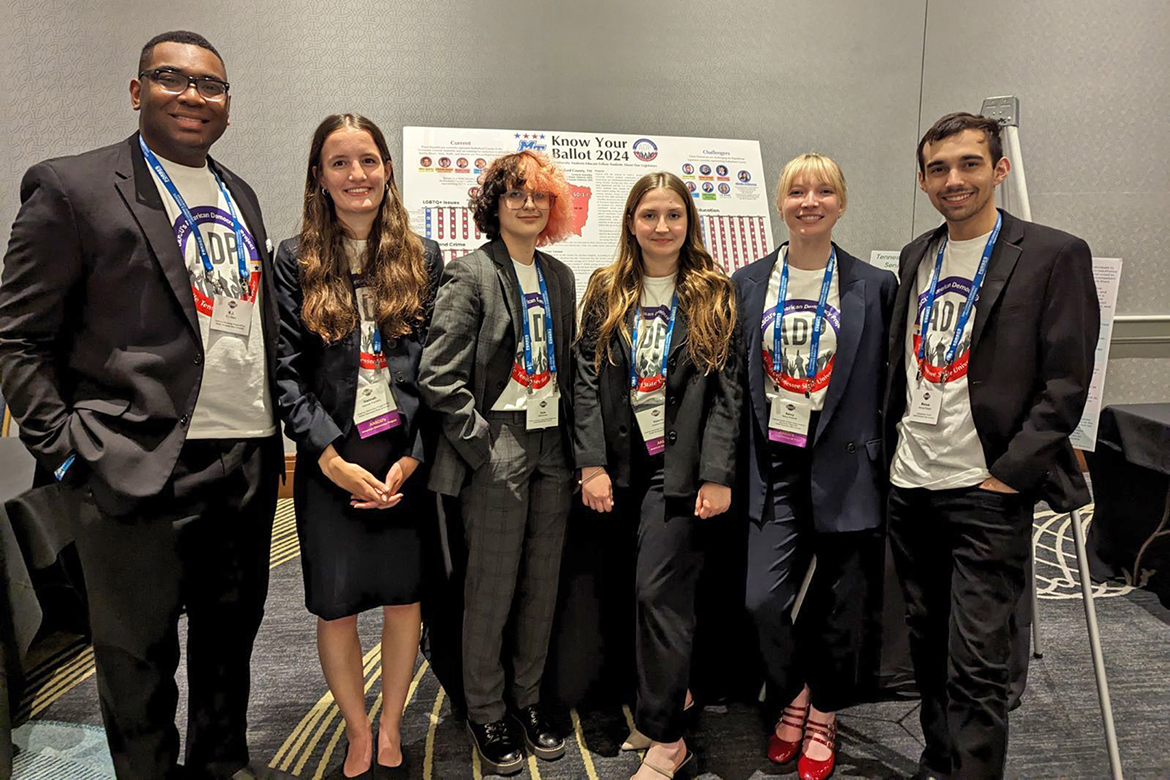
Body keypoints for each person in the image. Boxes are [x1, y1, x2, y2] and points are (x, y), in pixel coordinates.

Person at [0, 31, 292, 780]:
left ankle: (222, 765)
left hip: (245, 461)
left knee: (230, 643)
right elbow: (19, 339)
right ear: (138, 92)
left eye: (211, 86)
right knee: (137, 660)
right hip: (132, 463)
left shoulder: (239, 193)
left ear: (228, 105)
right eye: (172, 78)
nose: (193, 96)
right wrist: (67, 451)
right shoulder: (73, 188)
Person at [885, 112, 1099, 780]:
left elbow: (1066, 382)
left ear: (999, 169)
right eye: (938, 169)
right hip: (911, 482)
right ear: (923, 181)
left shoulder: (1053, 255)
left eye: (969, 163)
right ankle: (937, 759)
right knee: (925, 643)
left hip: (985, 490)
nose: (954, 179)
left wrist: (1007, 476)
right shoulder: (917, 255)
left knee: (978, 661)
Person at [273, 113, 441, 778]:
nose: (356, 175)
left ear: (387, 169)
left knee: (404, 599)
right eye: (339, 162)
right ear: (319, 176)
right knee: (335, 605)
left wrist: (414, 457)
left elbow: (437, 371)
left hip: (402, 459)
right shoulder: (294, 260)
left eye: (367, 160)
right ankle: (357, 728)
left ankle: (392, 722)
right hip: (331, 460)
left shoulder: (423, 258)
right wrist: (329, 459)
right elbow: (286, 375)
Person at [733, 154, 897, 780]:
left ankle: (823, 712)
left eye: (823, 191)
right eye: (797, 191)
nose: (809, 202)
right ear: (779, 203)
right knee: (762, 600)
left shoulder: (874, 285)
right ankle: (794, 692)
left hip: (847, 465)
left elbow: (888, 384)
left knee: (840, 606)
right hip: (773, 463)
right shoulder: (748, 283)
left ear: (841, 202)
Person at [574, 171, 741, 780]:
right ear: (631, 222)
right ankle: (660, 707)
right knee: (633, 599)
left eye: (674, 215)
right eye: (650, 215)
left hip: (680, 471)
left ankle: (669, 741)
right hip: (621, 467)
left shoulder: (713, 291)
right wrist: (591, 462)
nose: (662, 226)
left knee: (659, 597)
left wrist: (716, 474)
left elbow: (728, 393)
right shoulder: (607, 288)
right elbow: (585, 381)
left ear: (689, 222)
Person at [418, 151, 576, 776]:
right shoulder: (471, 273)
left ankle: (528, 701)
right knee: (491, 587)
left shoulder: (560, 277)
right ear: (494, 205)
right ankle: (485, 709)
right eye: (515, 194)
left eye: (540, 195)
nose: (529, 204)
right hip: (498, 441)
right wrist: (482, 446)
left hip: (553, 441)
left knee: (542, 583)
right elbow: (438, 375)